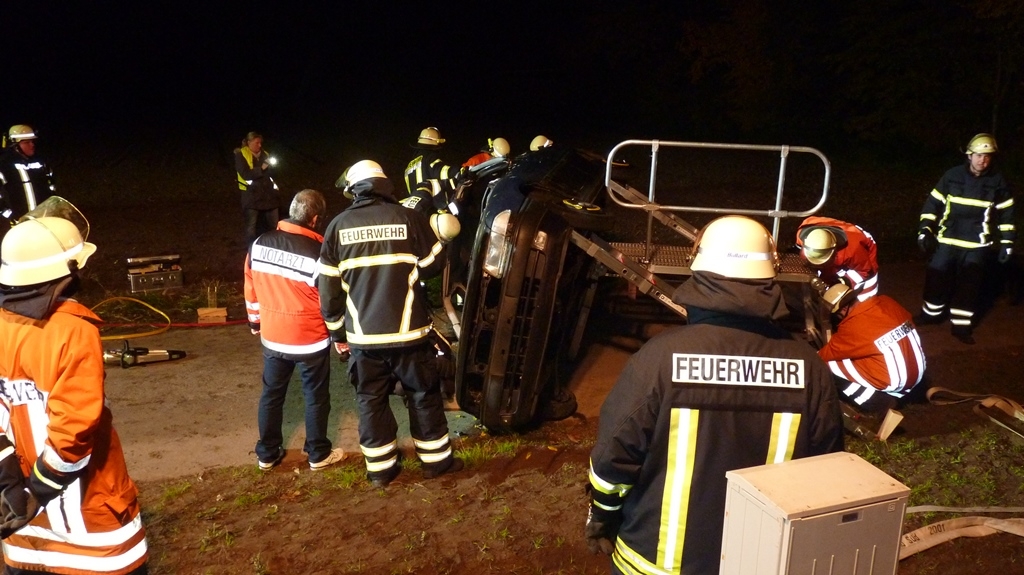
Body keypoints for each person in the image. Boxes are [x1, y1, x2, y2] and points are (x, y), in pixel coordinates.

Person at [587, 215, 844, 575]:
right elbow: (827, 472)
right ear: (770, 275)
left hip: (654, 565)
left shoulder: (660, 359)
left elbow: (613, 459)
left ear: (698, 270)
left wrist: (602, 515)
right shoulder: (808, 367)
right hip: (761, 564)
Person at [0, 197, 148, 574]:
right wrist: (37, 492)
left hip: (23, 537)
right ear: (65, 272)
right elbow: (74, 430)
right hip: (90, 530)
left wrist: (10, 486)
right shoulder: (72, 331)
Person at [318, 160, 463, 488]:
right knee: (422, 394)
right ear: (384, 184)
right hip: (410, 334)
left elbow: (328, 290)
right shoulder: (408, 218)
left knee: (371, 400)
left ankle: (381, 470)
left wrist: (337, 333)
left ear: (354, 189)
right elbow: (432, 264)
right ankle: (436, 463)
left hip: (364, 339)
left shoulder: (338, 227)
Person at [244, 189, 346, 473]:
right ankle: (318, 454)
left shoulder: (259, 244)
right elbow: (330, 300)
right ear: (314, 219)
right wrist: (339, 336)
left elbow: (250, 288)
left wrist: (255, 322)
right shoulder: (319, 253)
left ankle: (266, 454)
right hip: (310, 339)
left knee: (272, 395)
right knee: (315, 397)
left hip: (274, 337)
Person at [917, 133, 1016, 344]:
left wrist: (1007, 242)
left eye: (987, 156)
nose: (983, 160)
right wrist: (925, 229)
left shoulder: (997, 181)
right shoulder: (952, 176)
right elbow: (932, 204)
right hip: (947, 238)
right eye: (979, 155)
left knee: (969, 285)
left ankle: (961, 326)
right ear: (969, 155)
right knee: (936, 276)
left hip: (977, 244)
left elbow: (1006, 213)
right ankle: (931, 315)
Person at [817, 283, 926, 421]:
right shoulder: (887, 302)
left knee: (825, 366)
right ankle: (908, 393)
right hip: (917, 372)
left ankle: (878, 403)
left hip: (895, 381)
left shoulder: (854, 326)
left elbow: (824, 356)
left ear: (843, 310)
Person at [795, 216, 879, 301]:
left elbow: (864, 271)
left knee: (865, 296)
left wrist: (844, 281)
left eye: (823, 263)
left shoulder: (853, 250)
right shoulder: (803, 237)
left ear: (834, 251)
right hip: (838, 257)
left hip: (863, 257)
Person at [0, 124, 56, 227]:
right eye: (26, 142)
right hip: (19, 222)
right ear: (15, 145)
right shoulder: (4, 165)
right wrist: (10, 215)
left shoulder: (40, 162)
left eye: (32, 141)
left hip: (43, 218)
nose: (32, 145)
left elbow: (51, 186)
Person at [235, 131, 281, 247]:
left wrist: (273, 168)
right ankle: (252, 249)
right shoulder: (241, 155)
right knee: (252, 227)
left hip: (269, 197)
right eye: (257, 143)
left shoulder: (265, 154)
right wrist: (261, 169)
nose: (260, 145)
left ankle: (273, 247)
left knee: (273, 226)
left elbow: (274, 173)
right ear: (249, 142)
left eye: (260, 143)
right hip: (251, 197)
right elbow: (245, 174)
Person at [403, 127, 461, 211]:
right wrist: (460, 171)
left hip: (415, 208)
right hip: (432, 207)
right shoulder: (429, 157)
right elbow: (441, 171)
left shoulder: (409, 166)